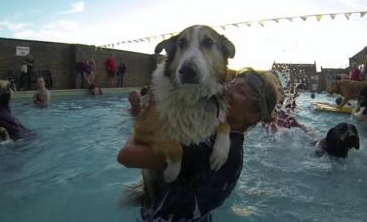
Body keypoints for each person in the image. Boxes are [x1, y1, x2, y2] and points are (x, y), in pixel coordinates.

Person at [117, 68, 278, 222]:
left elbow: (127, 155)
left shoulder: (209, 147)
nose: (226, 90)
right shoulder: (231, 143)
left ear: (253, 116)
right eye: (231, 83)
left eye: (240, 92)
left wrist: (149, 117)